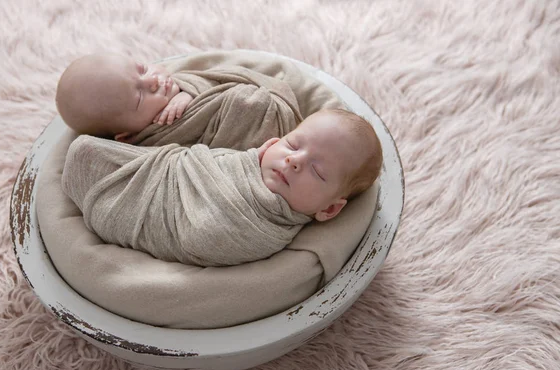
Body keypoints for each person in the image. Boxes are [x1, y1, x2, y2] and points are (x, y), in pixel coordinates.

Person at [61, 108, 383, 266]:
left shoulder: (264, 228)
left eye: (317, 171)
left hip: (148, 207)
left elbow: (203, 234)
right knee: (87, 148)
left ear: (328, 209)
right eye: (292, 144)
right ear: (273, 142)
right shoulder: (247, 162)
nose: (295, 161)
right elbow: (198, 162)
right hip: (170, 173)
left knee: (86, 153)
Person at [55, 53, 194, 140]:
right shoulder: (151, 143)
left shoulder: (184, 71)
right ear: (127, 136)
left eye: (142, 70)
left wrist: (189, 91)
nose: (153, 81)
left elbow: (211, 80)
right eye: (140, 96)